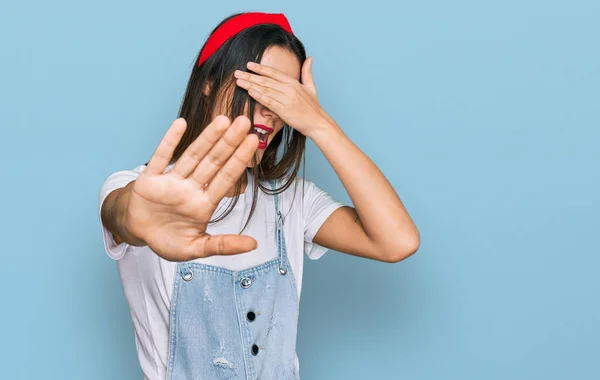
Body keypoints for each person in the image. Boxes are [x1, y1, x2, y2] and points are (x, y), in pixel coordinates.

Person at [98, 11, 420, 380]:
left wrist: (319, 123)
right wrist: (132, 217)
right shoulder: (143, 190)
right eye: (258, 87)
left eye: (286, 96)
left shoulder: (292, 201)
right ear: (208, 83)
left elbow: (397, 241)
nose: (272, 110)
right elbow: (120, 212)